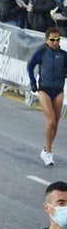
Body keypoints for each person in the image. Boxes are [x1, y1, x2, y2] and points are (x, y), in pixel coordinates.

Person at [27, 27, 67, 166]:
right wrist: (33, 82)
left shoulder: (64, 55)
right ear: (46, 40)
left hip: (58, 90)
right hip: (44, 90)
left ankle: (46, 148)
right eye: (52, 40)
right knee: (50, 121)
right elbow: (30, 66)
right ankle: (49, 152)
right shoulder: (41, 53)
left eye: (57, 40)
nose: (55, 42)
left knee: (55, 122)